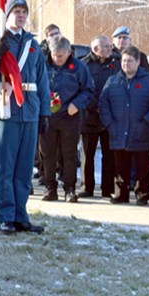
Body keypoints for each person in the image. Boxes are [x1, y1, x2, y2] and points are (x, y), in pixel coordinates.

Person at [0, 0, 50, 235]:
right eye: (16, 11)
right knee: (6, 166)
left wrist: (45, 111)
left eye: (24, 11)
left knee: (25, 168)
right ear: (6, 15)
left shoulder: (32, 44)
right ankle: (6, 216)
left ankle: (20, 215)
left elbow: (42, 79)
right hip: (5, 108)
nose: (21, 15)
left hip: (29, 108)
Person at [98, 46, 149, 205]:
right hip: (118, 131)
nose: (126, 64)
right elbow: (103, 104)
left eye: (130, 61)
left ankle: (142, 194)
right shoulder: (113, 80)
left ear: (138, 62)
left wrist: (146, 122)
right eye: (124, 61)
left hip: (142, 132)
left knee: (142, 167)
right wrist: (110, 124)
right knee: (120, 167)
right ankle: (121, 194)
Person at [39, 35, 94, 203]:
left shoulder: (79, 67)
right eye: (55, 56)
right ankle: (50, 187)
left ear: (69, 52)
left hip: (69, 116)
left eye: (61, 56)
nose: (57, 60)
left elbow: (89, 90)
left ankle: (69, 188)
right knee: (47, 153)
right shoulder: (43, 65)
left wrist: (77, 104)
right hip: (48, 115)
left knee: (68, 154)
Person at [79, 35, 119, 198]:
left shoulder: (116, 64)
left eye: (110, 47)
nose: (111, 49)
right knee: (88, 153)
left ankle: (107, 187)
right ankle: (86, 187)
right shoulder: (84, 65)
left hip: (109, 116)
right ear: (96, 49)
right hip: (89, 115)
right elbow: (81, 88)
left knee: (109, 154)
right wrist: (94, 105)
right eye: (107, 47)